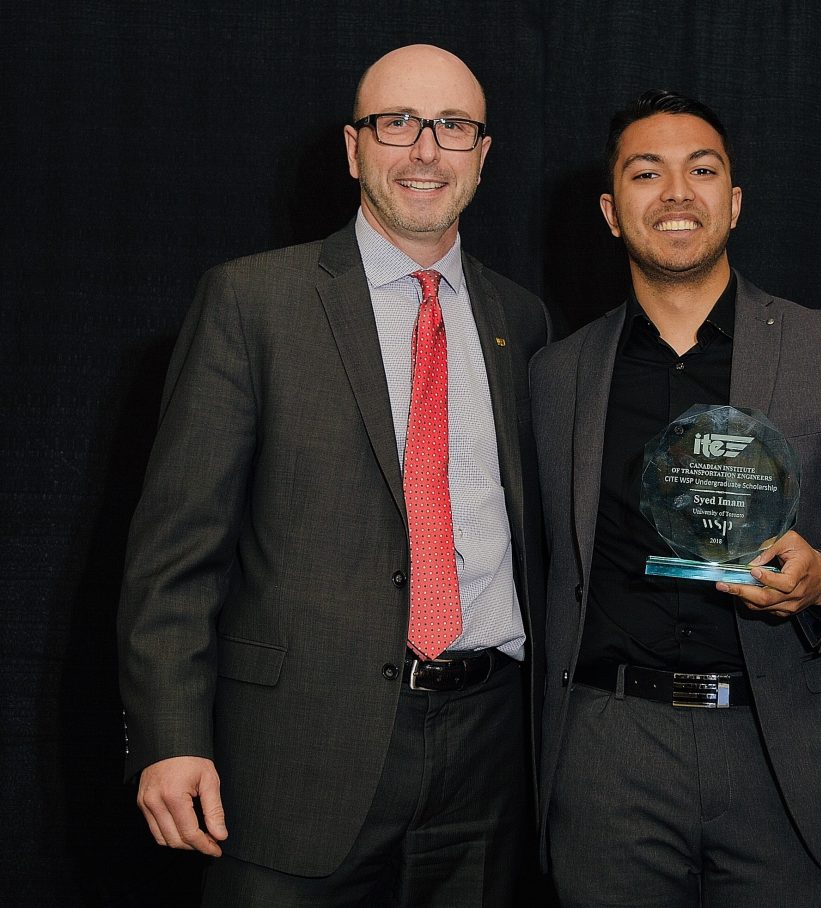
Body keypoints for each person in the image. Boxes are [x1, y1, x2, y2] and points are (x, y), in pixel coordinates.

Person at [117, 44, 550, 906]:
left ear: (483, 155)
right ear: (355, 149)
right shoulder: (253, 304)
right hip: (295, 758)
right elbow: (177, 550)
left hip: (491, 760)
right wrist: (171, 735)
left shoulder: (524, 321)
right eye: (398, 123)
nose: (426, 150)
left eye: (453, 128)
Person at [530, 90, 821, 907]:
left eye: (701, 170)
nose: (677, 192)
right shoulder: (555, 374)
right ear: (612, 211)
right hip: (611, 754)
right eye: (648, 173)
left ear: (734, 201)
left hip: (786, 750)